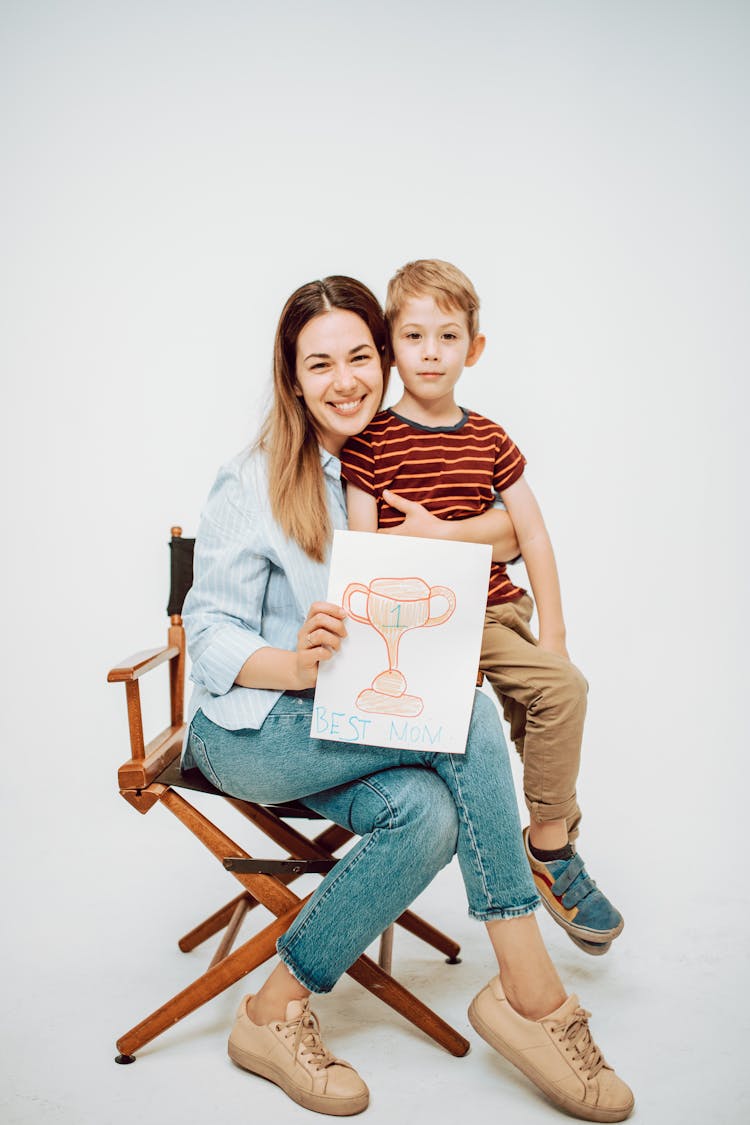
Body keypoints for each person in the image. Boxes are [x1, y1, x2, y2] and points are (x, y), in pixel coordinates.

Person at [181, 275, 634, 1121]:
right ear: (292, 376)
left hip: (345, 718)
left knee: (429, 811)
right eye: (321, 363)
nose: (346, 378)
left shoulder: (383, 459)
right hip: (249, 728)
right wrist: (292, 662)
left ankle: (272, 1009)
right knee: (460, 715)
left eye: (361, 355)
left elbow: (501, 527)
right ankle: (531, 995)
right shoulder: (253, 478)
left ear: (386, 360)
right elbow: (205, 631)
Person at [342, 259, 623, 956]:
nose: (430, 352)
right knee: (509, 729)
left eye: (447, 336)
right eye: (413, 335)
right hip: (422, 628)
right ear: (390, 347)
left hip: (495, 616)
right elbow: (362, 553)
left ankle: (550, 842)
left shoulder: (491, 439)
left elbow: (531, 534)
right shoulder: (370, 443)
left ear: (475, 348)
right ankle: (530, 871)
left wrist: (553, 632)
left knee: (559, 687)